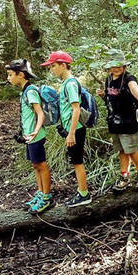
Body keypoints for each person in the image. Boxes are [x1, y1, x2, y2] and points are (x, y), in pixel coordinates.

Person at [40, 51, 92, 207]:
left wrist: (71, 133)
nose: (52, 69)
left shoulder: (70, 84)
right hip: (72, 129)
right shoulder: (67, 83)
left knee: (77, 162)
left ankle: (84, 194)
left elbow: (76, 109)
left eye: (53, 66)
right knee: (75, 161)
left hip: (75, 130)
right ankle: (81, 191)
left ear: (63, 65)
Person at [96, 50, 138, 191]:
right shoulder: (109, 79)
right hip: (115, 122)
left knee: (131, 149)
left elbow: (134, 89)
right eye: (113, 65)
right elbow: (112, 99)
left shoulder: (128, 78)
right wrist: (103, 96)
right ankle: (124, 175)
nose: (117, 68)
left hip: (128, 120)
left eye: (120, 65)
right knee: (122, 150)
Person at [6, 59, 53, 214]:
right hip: (29, 136)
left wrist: (35, 131)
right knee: (35, 165)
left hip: (35, 136)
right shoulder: (25, 91)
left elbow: (40, 114)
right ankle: (40, 193)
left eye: (10, 75)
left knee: (41, 164)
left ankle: (47, 197)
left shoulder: (31, 91)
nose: (8, 78)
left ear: (20, 75)